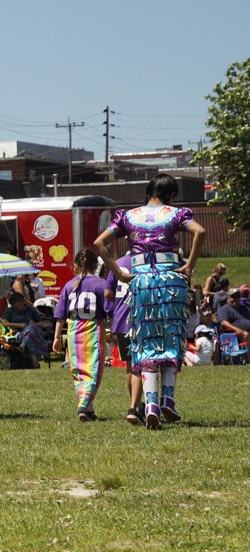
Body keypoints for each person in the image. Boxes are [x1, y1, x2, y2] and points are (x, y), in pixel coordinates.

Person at [94, 173, 206, 430]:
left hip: (142, 283)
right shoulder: (175, 214)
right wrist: (189, 264)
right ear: (172, 195)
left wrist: (119, 272)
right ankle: (167, 399)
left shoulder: (130, 216)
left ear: (149, 192)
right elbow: (200, 231)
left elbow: (99, 243)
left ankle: (151, 404)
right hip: (170, 281)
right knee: (171, 338)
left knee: (145, 343)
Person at [52, 249, 109, 422]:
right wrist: (112, 328)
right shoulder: (101, 284)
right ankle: (83, 404)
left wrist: (56, 338)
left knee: (78, 370)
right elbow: (108, 310)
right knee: (93, 369)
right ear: (95, 265)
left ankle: (88, 409)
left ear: (75, 266)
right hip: (93, 328)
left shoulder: (69, 285)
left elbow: (60, 315)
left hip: (74, 329)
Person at [103, 254, 144, 424]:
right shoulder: (146, 261)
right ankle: (135, 407)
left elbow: (107, 293)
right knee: (144, 364)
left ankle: (134, 404)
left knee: (130, 365)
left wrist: (120, 301)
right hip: (141, 318)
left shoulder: (117, 263)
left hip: (121, 320)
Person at [0, 291, 49, 369]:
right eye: (17, 302)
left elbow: (41, 323)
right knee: (30, 335)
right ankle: (35, 365)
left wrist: (34, 324)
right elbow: (4, 322)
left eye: (21, 301)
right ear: (13, 303)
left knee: (31, 328)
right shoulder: (9, 311)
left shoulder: (30, 309)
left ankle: (22, 346)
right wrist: (20, 325)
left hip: (35, 333)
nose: (20, 303)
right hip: (18, 334)